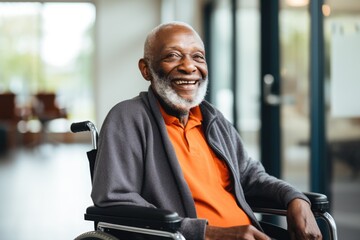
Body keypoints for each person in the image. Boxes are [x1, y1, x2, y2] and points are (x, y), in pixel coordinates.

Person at [91, 21, 322, 240]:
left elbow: (252, 177)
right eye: (173, 56)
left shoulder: (213, 119)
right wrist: (207, 234)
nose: (189, 66)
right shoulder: (128, 118)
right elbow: (115, 199)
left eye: (198, 57)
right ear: (146, 69)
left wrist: (294, 198)